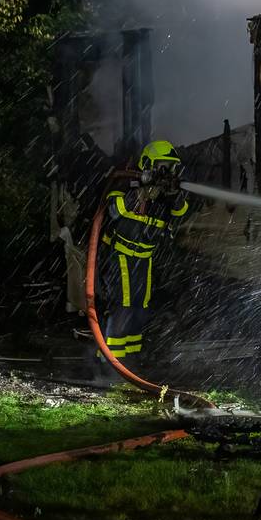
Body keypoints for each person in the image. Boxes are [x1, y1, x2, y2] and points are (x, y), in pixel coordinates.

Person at [97, 139, 190, 371]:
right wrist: (141, 192)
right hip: (120, 257)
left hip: (144, 259)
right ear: (148, 164)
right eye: (162, 167)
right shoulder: (125, 185)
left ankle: (130, 359)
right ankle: (111, 363)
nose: (166, 172)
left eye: (170, 168)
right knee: (123, 307)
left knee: (140, 308)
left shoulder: (165, 197)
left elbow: (180, 213)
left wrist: (174, 191)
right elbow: (114, 210)